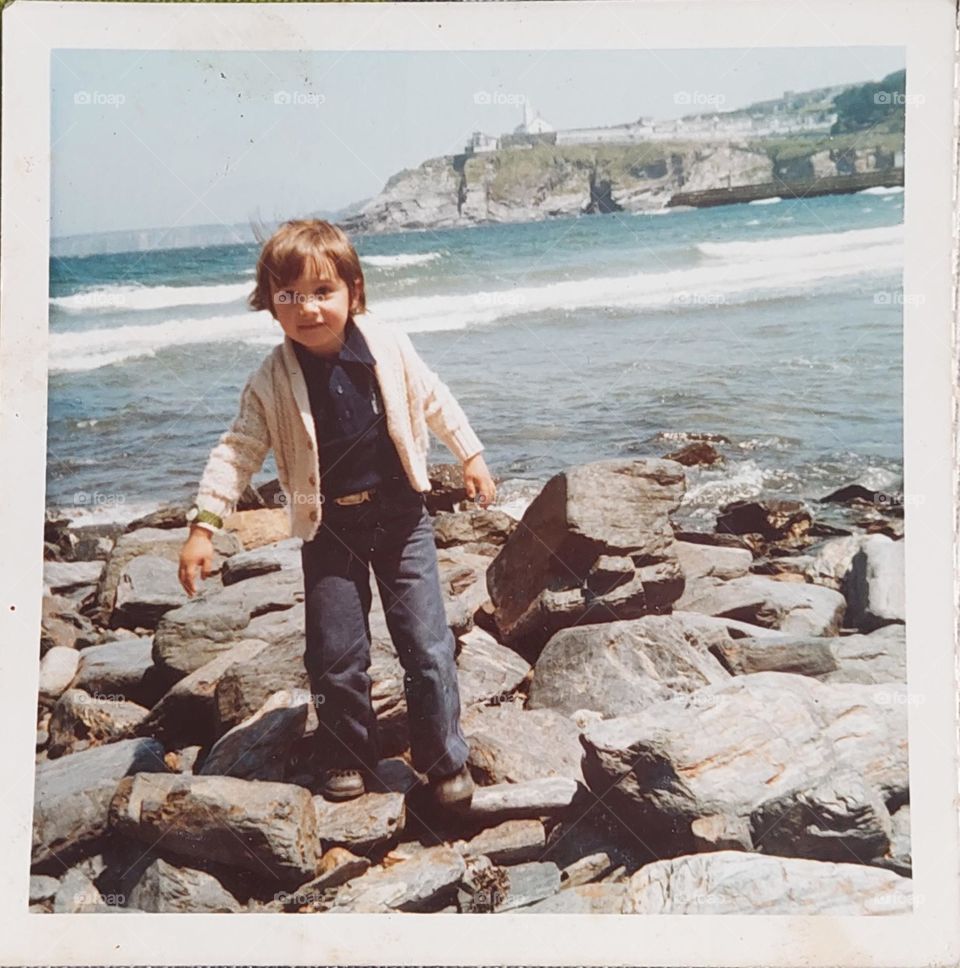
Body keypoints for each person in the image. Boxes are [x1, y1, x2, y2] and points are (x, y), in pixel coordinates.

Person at [177, 219, 496, 809]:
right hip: (328, 531)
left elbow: (432, 396)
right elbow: (237, 449)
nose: (309, 309)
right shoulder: (272, 379)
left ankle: (443, 759)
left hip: (402, 521)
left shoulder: (387, 345)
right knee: (335, 654)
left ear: (354, 292)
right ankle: (348, 754)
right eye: (290, 296)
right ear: (269, 304)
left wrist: (470, 454)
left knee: (426, 646)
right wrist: (205, 526)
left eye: (323, 292)